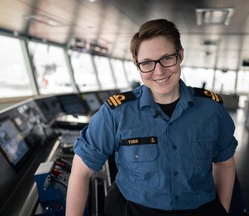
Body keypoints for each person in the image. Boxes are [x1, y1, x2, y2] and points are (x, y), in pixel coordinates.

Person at [66, 19, 237, 216]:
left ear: (180, 55)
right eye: (147, 63)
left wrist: (221, 211)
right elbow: (80, 171)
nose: (159, 71)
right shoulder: (116, 113)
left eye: (167, 58)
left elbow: (224, 163)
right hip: (134, 210)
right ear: (136, 65)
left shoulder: (212, 110)